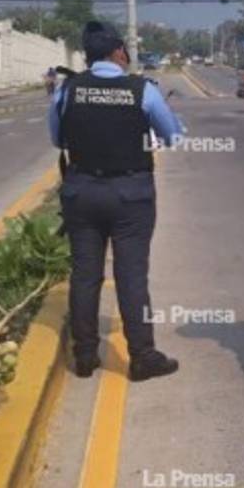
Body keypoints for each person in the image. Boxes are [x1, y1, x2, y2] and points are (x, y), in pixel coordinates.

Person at [48, 21, 184, 382]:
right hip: (130, 194)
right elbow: (171, 136)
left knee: (85, 274)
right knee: (132, 275)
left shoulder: (68, 89)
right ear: (119, 52)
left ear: (87, 55)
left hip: (82, 191)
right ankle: (142, 357)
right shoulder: (142, 90)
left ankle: (85, 355)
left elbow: (57, 139)